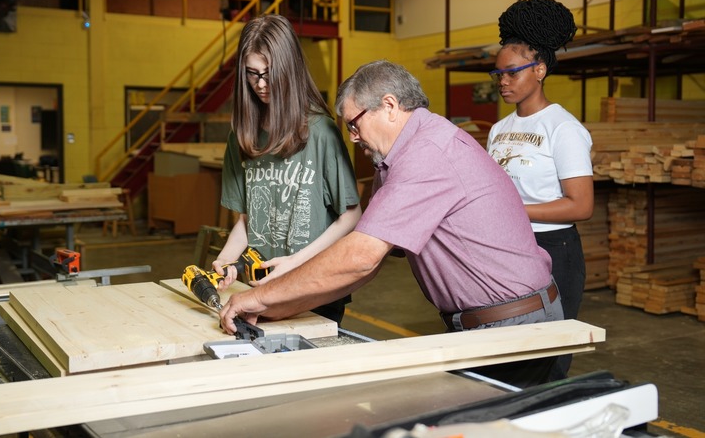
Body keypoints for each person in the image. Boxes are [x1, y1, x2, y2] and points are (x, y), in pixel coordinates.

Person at [220, 59, 564, 387]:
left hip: (514, 323)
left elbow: (360, 256)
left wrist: (262, 297)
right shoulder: (397, 160)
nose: (353, 137)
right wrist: (281, 307)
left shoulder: (427, 153)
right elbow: (367, 267)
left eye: (354, 123)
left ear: (389, 105)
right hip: (486, 322)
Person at [212, 14, 361, 324]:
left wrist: (295, 262)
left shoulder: (321, 132)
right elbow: (246, 220)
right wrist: (226, 260)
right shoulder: (242, 137)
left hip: (315, 287)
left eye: (269, 74)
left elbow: (351, 215)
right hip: (260, 286)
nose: (261, 84)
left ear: (289, 70)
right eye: (252, 74)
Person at [486, 0, 594, 381]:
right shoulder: (498, 130)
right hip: (509, 250)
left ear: (541, 70)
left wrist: (516, 211)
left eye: (512, 73)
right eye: (497, 74)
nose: (503, 81)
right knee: (509, 355)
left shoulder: (562, 128)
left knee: (547, 360)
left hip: (554, 252)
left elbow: (581, 205)